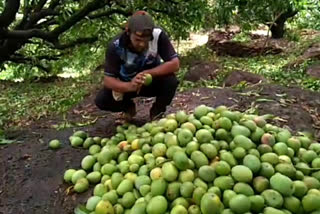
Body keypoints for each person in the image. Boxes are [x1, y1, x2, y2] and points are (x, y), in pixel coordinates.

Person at [95, 11, 180, 122]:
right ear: (128, 32)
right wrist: (130, 86)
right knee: (102, 100)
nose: (142, 44)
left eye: (146, 41)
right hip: (127, 85)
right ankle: (128, 107)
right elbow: (108, 80)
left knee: (171, 81)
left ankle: (157, 112)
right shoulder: (116, 46)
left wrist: (148, 73)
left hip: (151, 82)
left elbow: (175, 64)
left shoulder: (158, 35)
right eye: (138, 40)